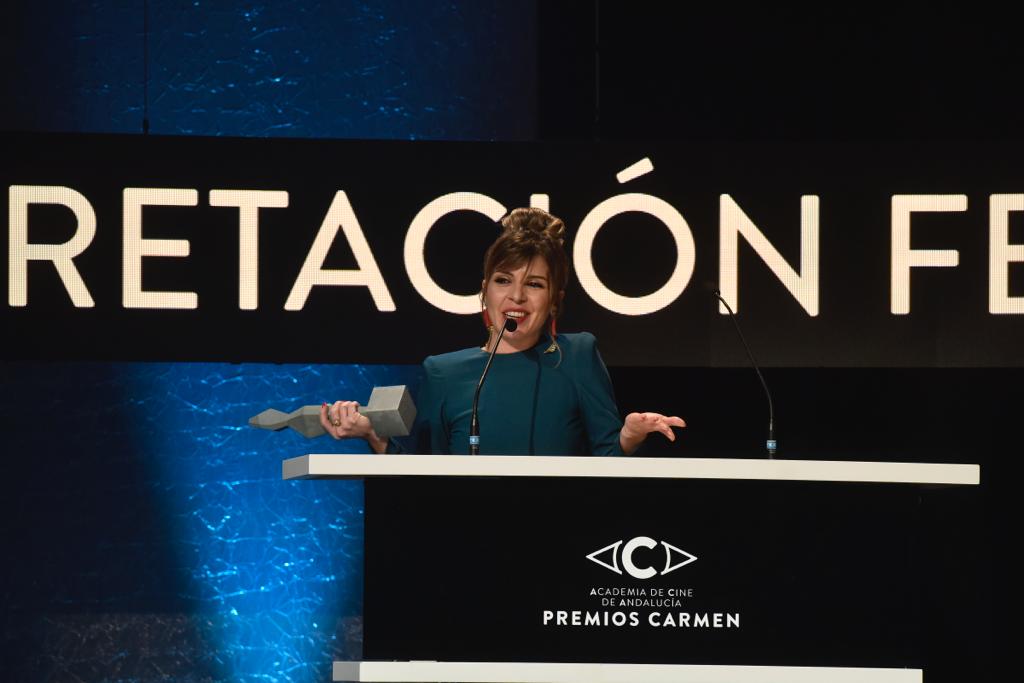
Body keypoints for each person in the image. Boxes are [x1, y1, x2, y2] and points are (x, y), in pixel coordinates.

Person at [320, 207, 685, 455]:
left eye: (535, 284)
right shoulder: (442, 371)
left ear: (555, 300)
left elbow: (605, 457)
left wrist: (629, 436)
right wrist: (372, 434)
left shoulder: (576, 356)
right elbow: (423, 470)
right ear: (484, 291)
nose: (516, 296)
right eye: (503, 280)